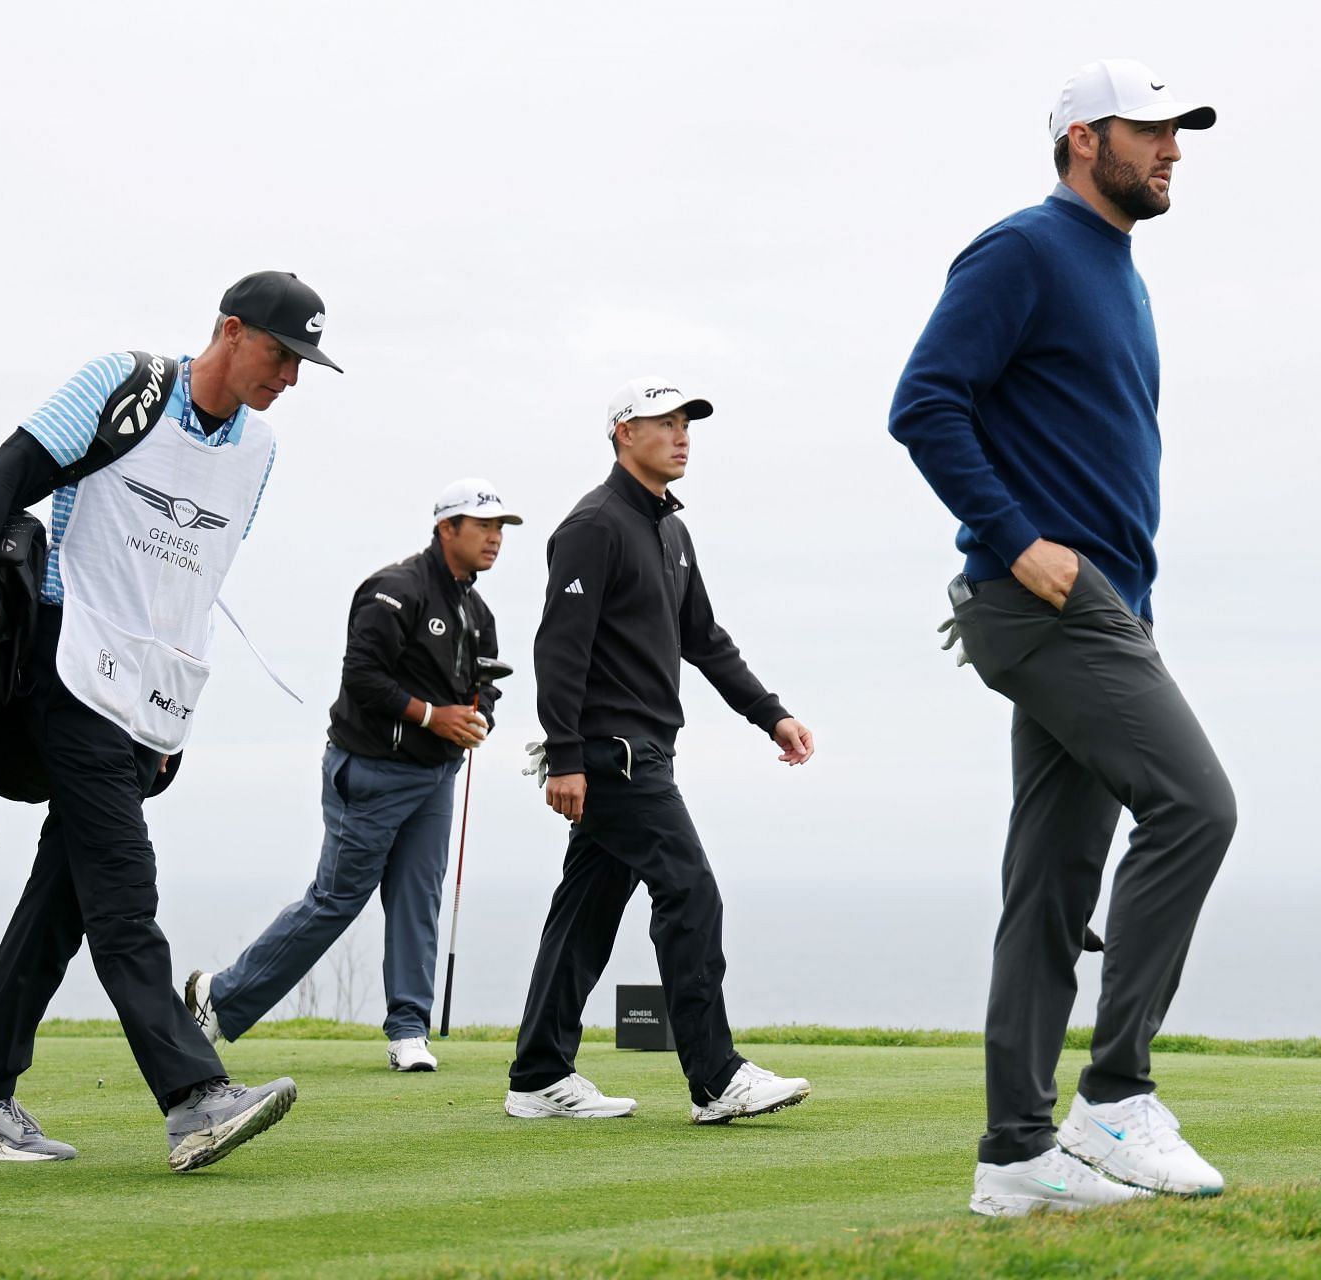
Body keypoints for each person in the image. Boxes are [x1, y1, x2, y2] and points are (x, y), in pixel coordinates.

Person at [0, 270, 342, 1172]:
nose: (289, 377)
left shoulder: (261, 451)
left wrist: (173, 724)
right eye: (282, 354)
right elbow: (8, 478)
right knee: (125, 894)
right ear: (231, 330)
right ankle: (194, 1098)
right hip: (71, 671)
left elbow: (194, 587)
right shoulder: (124, 386)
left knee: (63, 901)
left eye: (302, 364)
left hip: (147, 707)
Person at [889, 60, 1236, 1215]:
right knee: (1197, 805)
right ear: (1086, 140)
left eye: (1180, 132)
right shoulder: (1022, 250)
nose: (1174, 149)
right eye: (1154, 132)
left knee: (1051, 880)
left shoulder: (1120, 272)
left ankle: (1015, 1156)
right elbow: (924, 399)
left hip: (1103, 604)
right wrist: (1018, 538)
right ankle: (1117, 1096)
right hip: (1049, 597)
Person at [505, 376, 816, 1123]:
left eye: (686, 424)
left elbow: (704, 638)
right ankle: (716, 1077)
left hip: (648, 750)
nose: (680, 436)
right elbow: (559, 651)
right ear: (624, 435)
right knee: (691, 891)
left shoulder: (672, 531)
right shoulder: (594, 525)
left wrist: (769, 713)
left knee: (584, 915)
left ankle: (538, 1075)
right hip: (613, 757)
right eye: (664, 423)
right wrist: (567, 756)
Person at [184, 479, 515, 1072]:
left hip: (434, 776)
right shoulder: (395, 590)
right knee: (336, 901)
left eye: (499, 528)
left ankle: (409, 1029)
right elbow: (363, 676)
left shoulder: (475, 609)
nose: (494, 538)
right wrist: (433, 716)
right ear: (447, 529)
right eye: (482, 525)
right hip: (371, 770)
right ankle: (220, 997)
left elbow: (485, 679)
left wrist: (476, 715)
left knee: (418, 897)